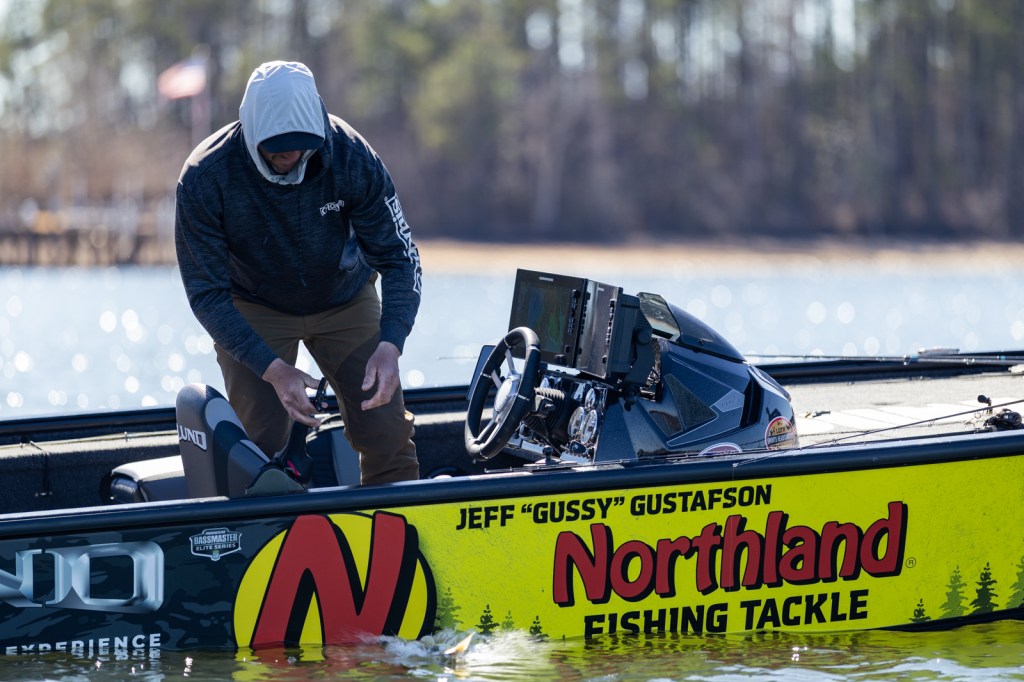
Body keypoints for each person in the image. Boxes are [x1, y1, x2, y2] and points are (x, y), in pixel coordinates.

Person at [174, 60, 422, 485]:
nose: (291, 155)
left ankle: (397, 517)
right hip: (255, 304)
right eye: (278, 147)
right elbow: (206, 295)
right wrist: (272, 370)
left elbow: (400, 257)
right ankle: (270, 519)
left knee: (386, 431)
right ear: (251, 132)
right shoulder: (204, 177)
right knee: (258, 449)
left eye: (301, 145)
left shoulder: (351, 154)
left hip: (345, 297)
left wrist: (391, 343)